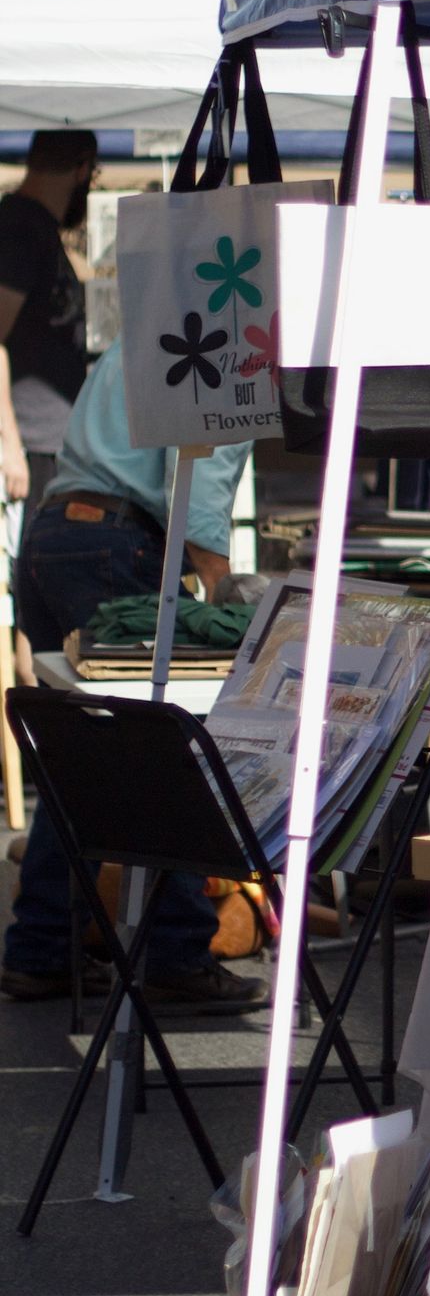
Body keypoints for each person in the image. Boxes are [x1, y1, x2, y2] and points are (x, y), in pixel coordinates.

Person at [1, 339, 262, 1009]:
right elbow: (200, 479)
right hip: (114, 539)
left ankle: (42, 949)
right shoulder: (235, 341)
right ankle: (173, 950)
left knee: (85, 757)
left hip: (56, 534)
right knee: (160, 748)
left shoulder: (153, 321)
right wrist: (224, 593)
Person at [0, 129, 98, 529]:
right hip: (31, 446)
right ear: (82, 169)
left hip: (50, 441)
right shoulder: (19, 228)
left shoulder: (35, 226)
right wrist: (10, 447)